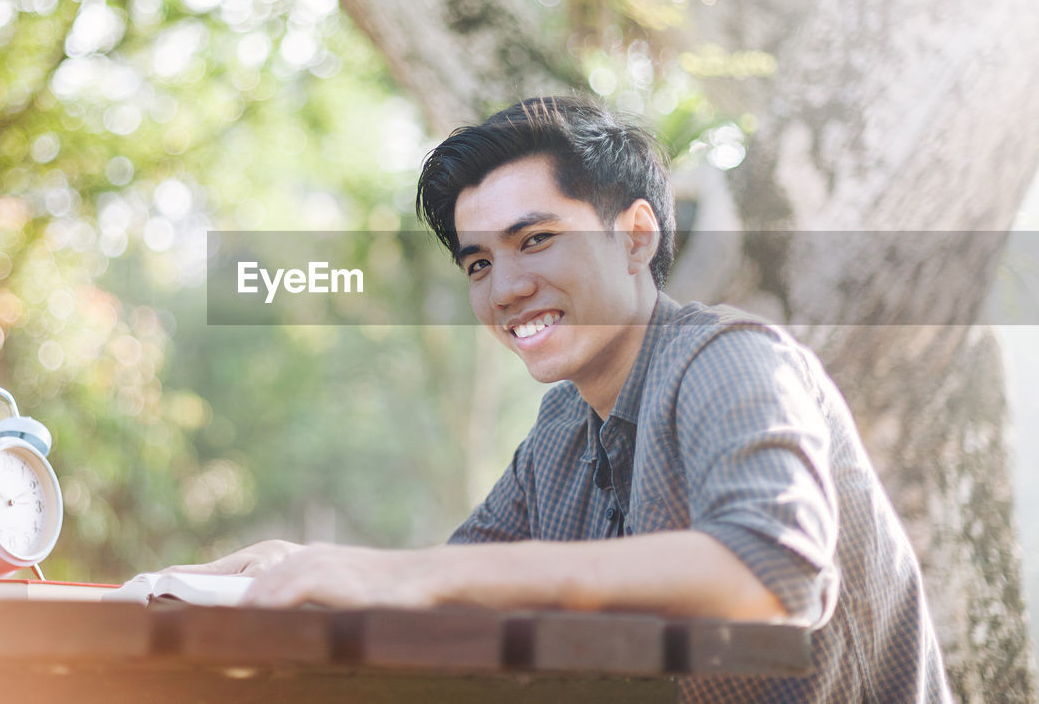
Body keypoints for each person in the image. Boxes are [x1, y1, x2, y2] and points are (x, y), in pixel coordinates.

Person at [170, 96, 950, 702]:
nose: (506, 287)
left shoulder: (730, 358)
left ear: (636, 235)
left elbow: (773, 573)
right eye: (479, 263)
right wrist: (303, 569)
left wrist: (404, 578)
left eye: (536, 239)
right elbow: (459, 587)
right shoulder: (563, 430)